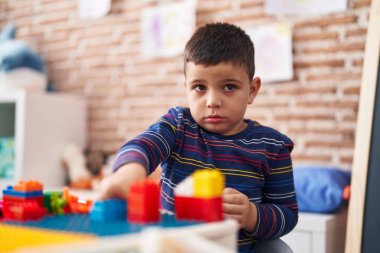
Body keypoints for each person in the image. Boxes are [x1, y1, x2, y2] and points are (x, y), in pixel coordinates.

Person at [99, 22, 298, 252]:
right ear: (187, 89)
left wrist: (253, 215)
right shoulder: (178, 125)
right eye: (200, 88)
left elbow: (287, 215)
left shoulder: (273, 146)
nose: (212, 101)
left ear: (252, 90)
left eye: (229, 87)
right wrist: (129, 172)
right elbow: (144, 144)